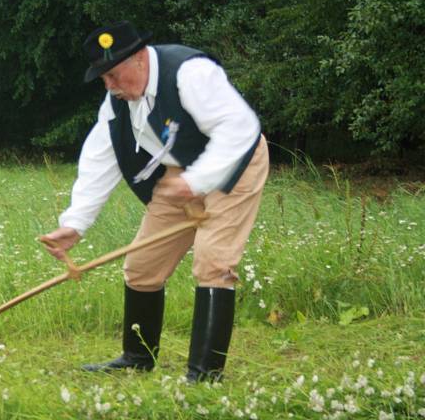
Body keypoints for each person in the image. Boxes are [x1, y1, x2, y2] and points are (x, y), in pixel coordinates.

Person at [41, 21, 269, 381]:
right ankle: (137, 357)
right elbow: (101, 156)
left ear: (139, 60)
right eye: (103, 79)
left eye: (113, 76)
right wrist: (75, 224)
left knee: (213, 262)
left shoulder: (191, 73)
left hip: (236, 163)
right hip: (181, 173)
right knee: (142, 266)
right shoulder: (116, 102)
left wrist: (197, 181)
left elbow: (238, 128)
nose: (110, 87)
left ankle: (204, 375)